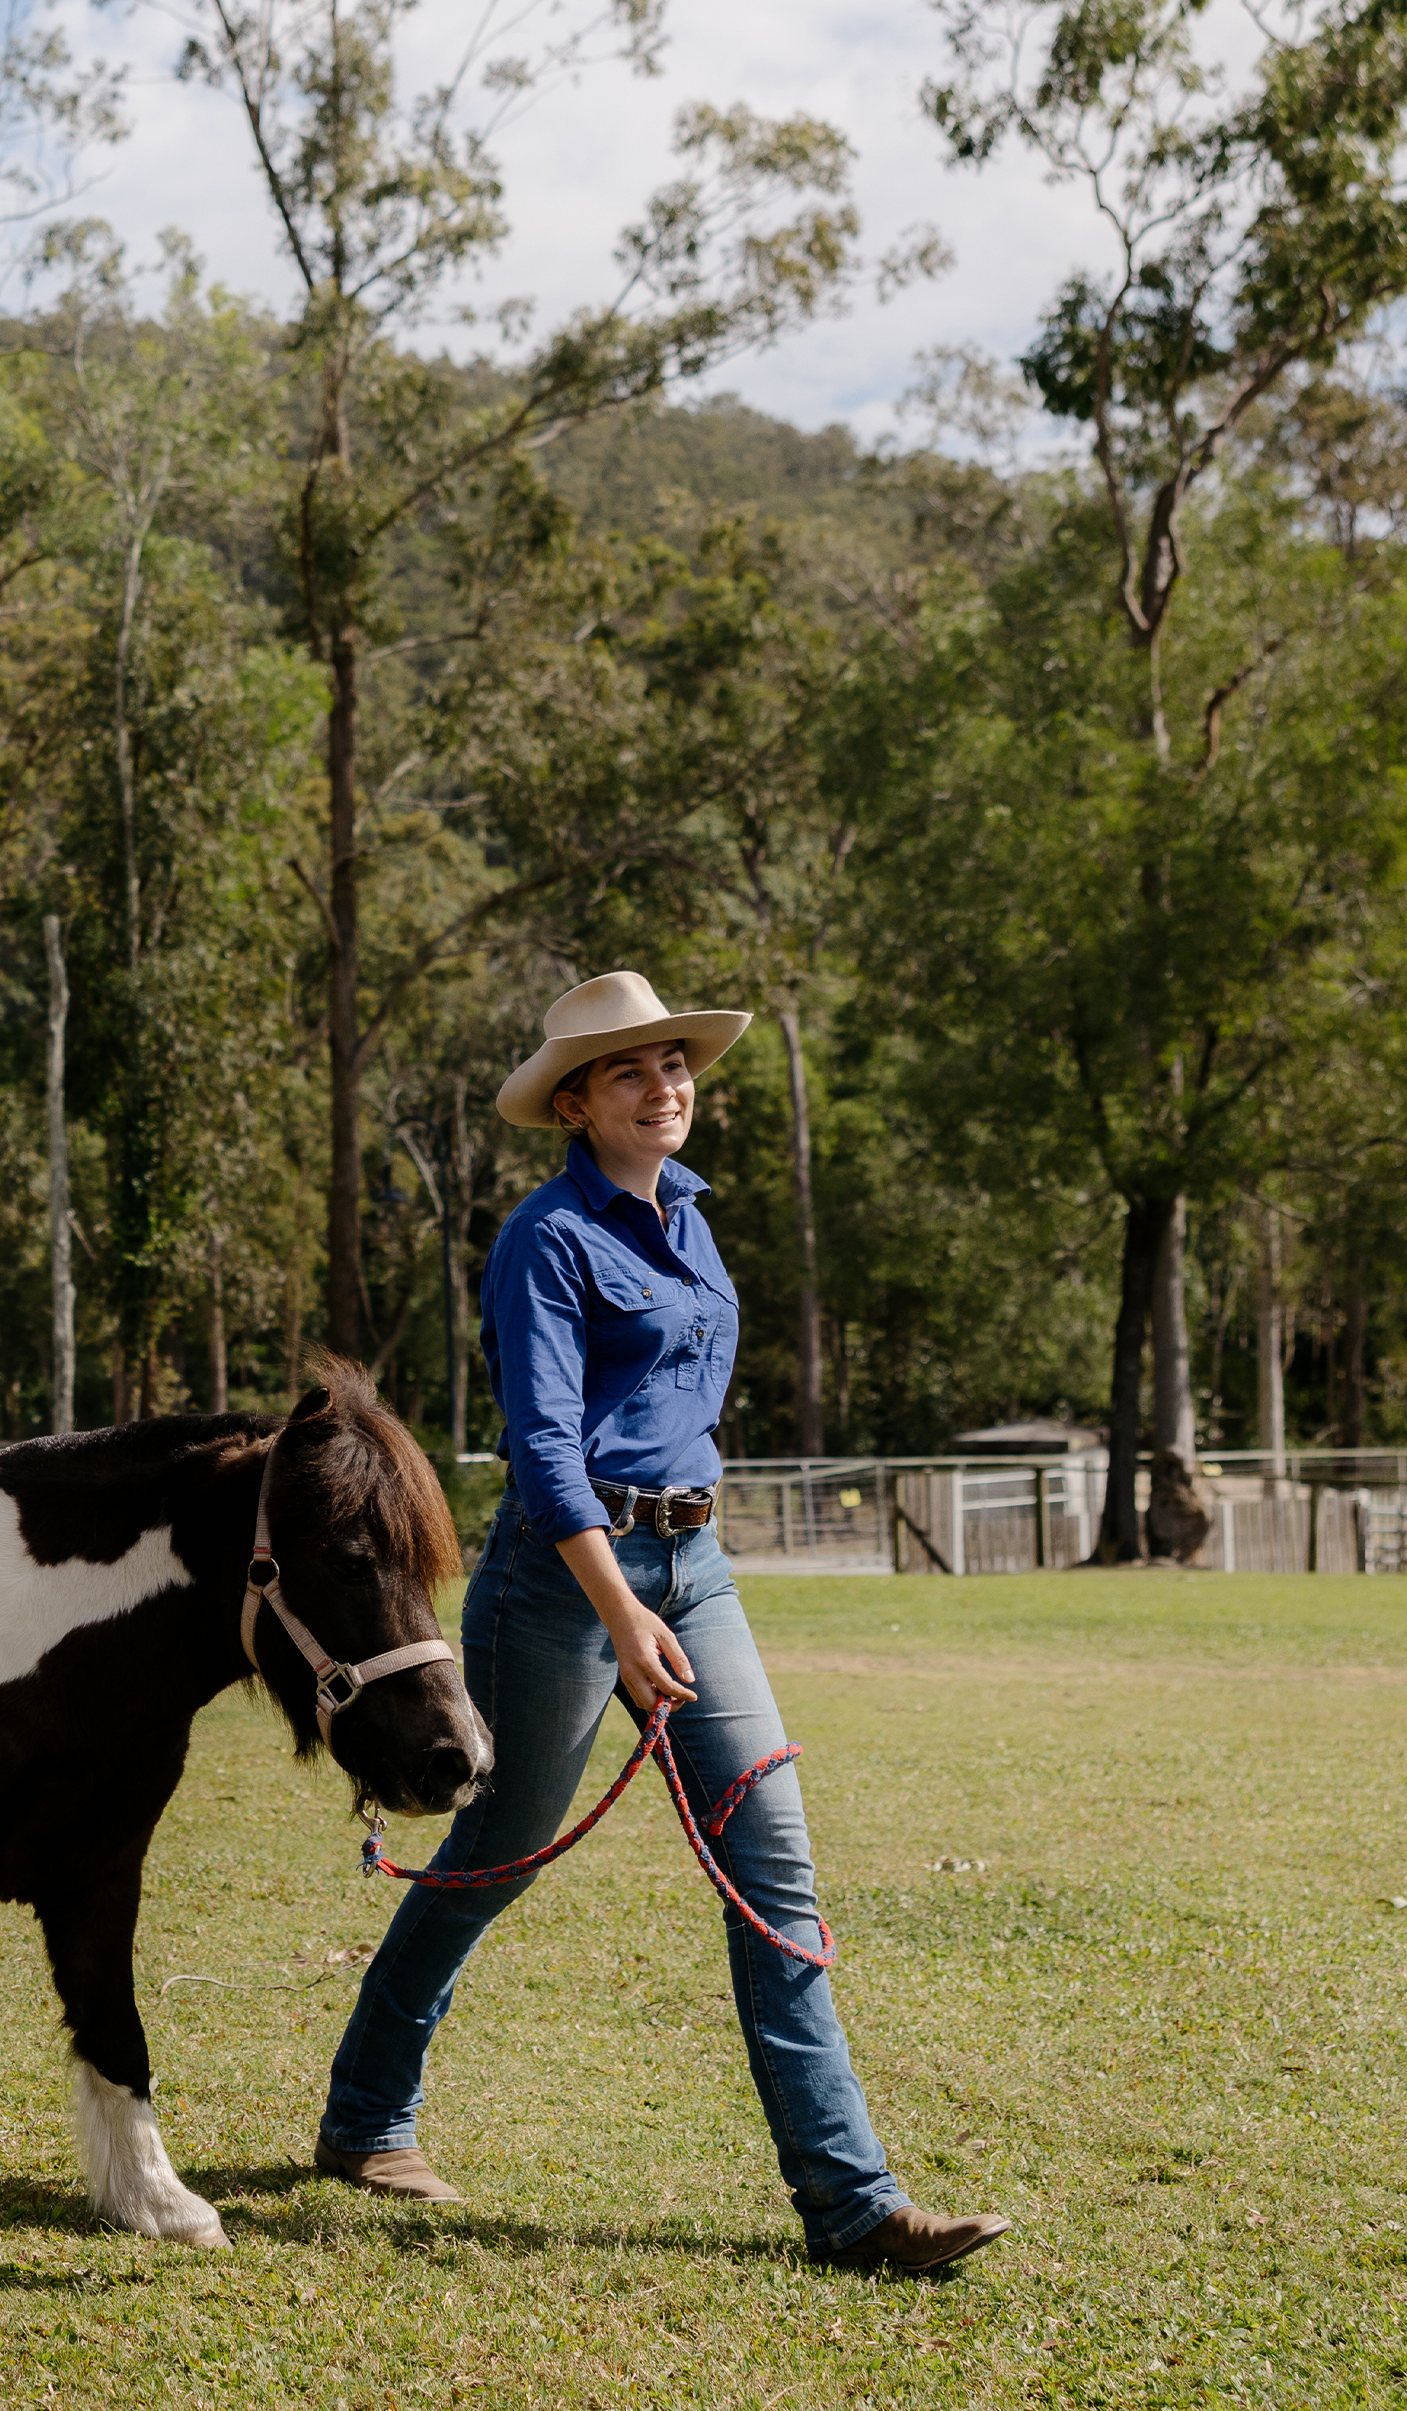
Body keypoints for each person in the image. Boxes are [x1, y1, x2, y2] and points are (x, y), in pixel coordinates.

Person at [311, 971, 1010, 2275]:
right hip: (567, 1578)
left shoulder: (690, 1221)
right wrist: (620, 1609)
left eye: (678, 1063)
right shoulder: (547, 1238)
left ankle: (852, 2209)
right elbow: (548, 1446)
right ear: (576, 1101)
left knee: (774, 1869)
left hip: (697, 1567)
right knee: (501, 1850)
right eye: (632, 1070)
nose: (666, 1083)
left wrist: (670, 1578)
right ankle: (365, 2115)